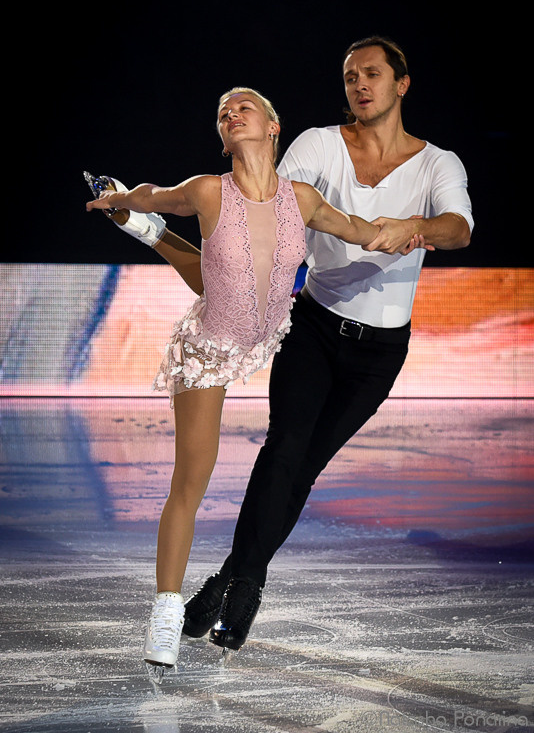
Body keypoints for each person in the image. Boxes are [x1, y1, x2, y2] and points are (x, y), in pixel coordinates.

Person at [86, 85, 422, 676]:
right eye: (222, 112)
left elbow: (363, 230)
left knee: (224, 275)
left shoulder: (303, 199)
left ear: (273, 126)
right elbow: (155, 193)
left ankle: (148, 232)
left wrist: (412, 229)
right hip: (211, 347)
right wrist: (122, 199)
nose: (230, 113)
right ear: (224, 138)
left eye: (243, 106)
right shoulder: (208, 189)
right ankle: (165, 612)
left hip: (267, 331)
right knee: (192, 478)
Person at [179, 37, 474, 653]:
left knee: (305, 467)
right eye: (349, 77)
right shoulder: (317, 145)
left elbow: (458, 228)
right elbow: (273, 203)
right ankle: (247, 591)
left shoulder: (437, 164)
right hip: (312, 324)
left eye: (372, 74)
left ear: (402, 84)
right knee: (284, 449)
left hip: (378, 353)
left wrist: (414, 228)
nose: (359, 85)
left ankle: (224, 580)